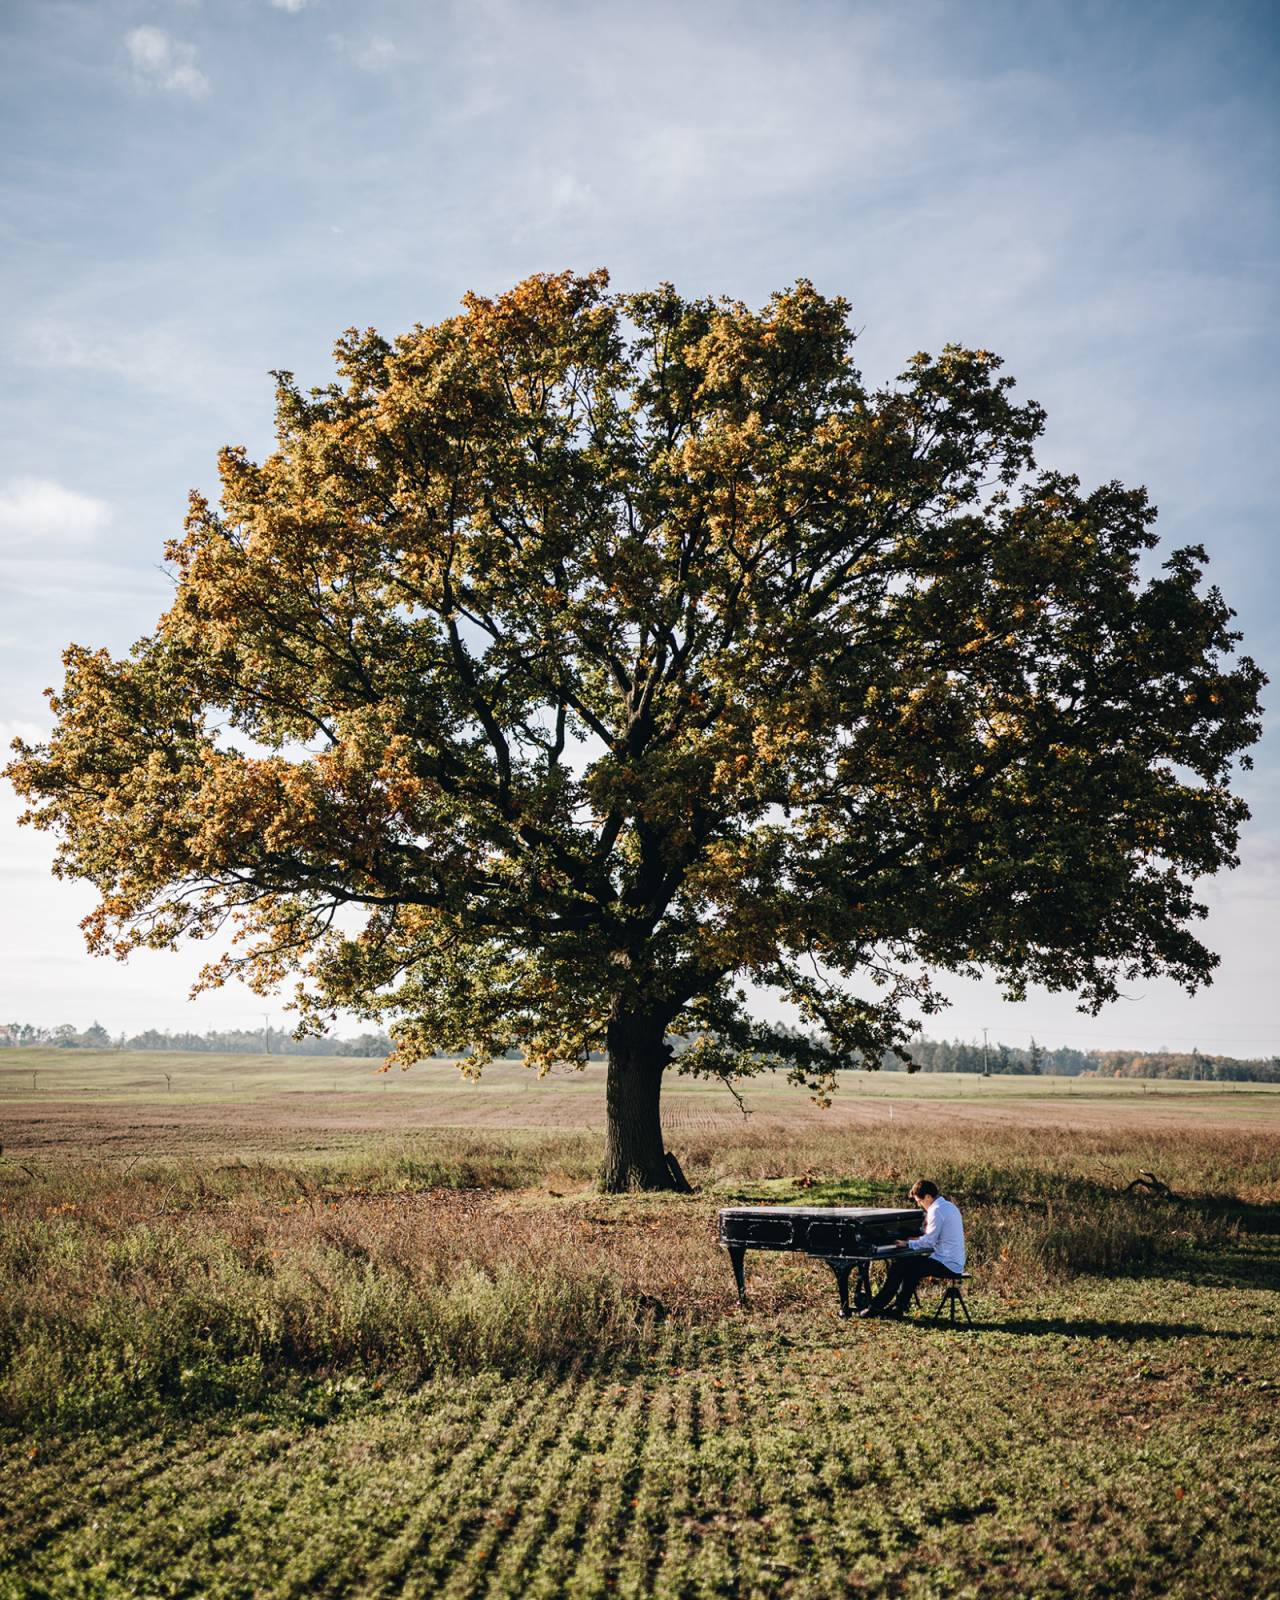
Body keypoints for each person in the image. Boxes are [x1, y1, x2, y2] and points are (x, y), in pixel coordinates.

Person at [859, 1180, 965, 1318]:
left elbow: (929, 1242)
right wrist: (913, 1241)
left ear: (928, 1197)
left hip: (946, 1263)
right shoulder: (949, 1206)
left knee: (900, 1265)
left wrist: (907, 1244)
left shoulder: (936, 1210)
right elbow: (934, 1238)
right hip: (954, 1260)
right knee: (911, 1268)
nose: (919, 1205)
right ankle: (899, 1307)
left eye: (919, 1201)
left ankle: (876, 1306)